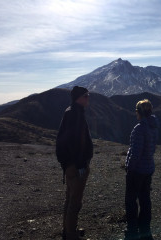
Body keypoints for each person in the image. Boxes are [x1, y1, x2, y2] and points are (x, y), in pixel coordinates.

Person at [56, 86, 93, 240]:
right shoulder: (74, 114)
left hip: (71, 164)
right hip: (76, 165)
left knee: (70, 198)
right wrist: (80, 165)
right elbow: (74, 142)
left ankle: (68, 229)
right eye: (86, 96)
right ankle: (71, 234)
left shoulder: (73, 111)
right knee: (75, 202)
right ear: (79, 97)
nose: (88, 98)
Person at [124, 99, 159, 240]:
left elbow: (135, 152)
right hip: (148, 168)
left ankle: (132, 229)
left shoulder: (139, 128)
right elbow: (152, 148)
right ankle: (145, 228)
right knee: (145, 199)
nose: (135, 113)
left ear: (139, 112)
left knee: (131, 200)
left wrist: (129, 168)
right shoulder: (153, 126)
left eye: (136, 111)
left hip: (137, 170)